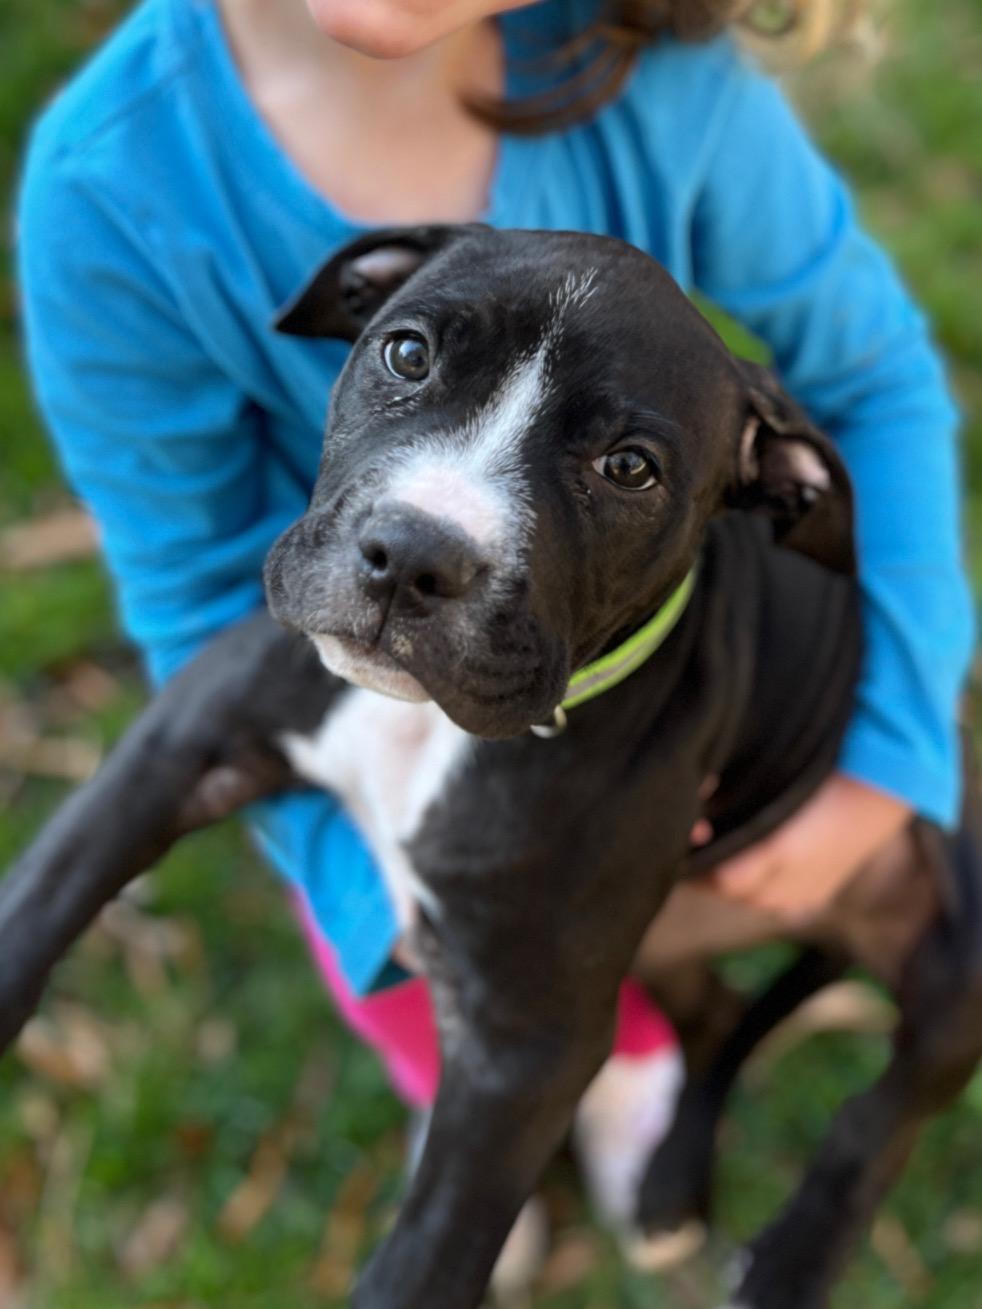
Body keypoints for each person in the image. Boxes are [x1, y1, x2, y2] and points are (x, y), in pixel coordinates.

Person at [16, 0, 972, 1278]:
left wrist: (889, 756)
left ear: (777, 492)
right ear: (354, 304)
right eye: (408, 351)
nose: (435, 531)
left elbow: (876, 378)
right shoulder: (112, 184)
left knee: (917, 970)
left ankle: (791, 1153)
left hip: (657, 773)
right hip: (422, 763)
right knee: (475, 1005)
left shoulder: (661, 86)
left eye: (626, 463)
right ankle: (588, 1054)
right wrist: (386, 912)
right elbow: (191, 624)